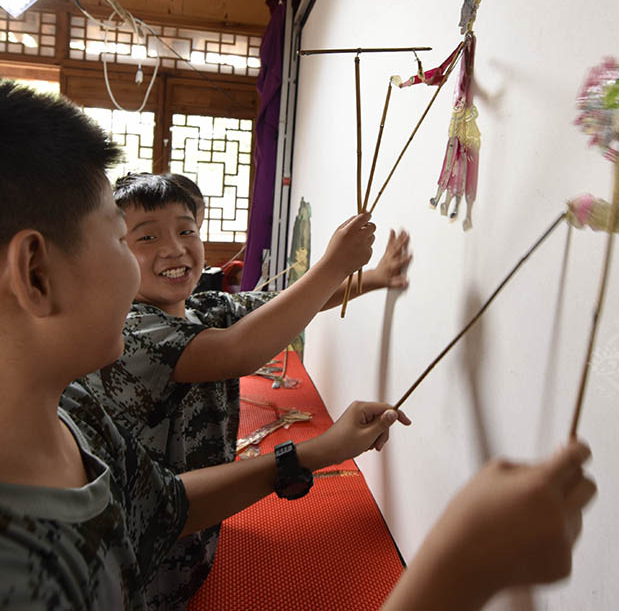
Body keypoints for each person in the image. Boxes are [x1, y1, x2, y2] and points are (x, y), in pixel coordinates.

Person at [0, 79, 596, 611]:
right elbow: (247, 340)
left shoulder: (64, 419)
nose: (148, 261)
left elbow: (164, 505)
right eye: (120, 240)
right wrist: (460, 571)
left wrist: (316, 454)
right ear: (37, 274)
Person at [80, 171, 411, 607]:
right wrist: (333, 264)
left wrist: (374, 277)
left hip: (195, 529)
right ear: (113, 254)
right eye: (146, 238)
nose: (175, 248)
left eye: (186, 230)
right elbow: (239, 351)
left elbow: (286, 303)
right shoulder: (131, 330)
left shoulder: (203, 307)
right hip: (139, 563)